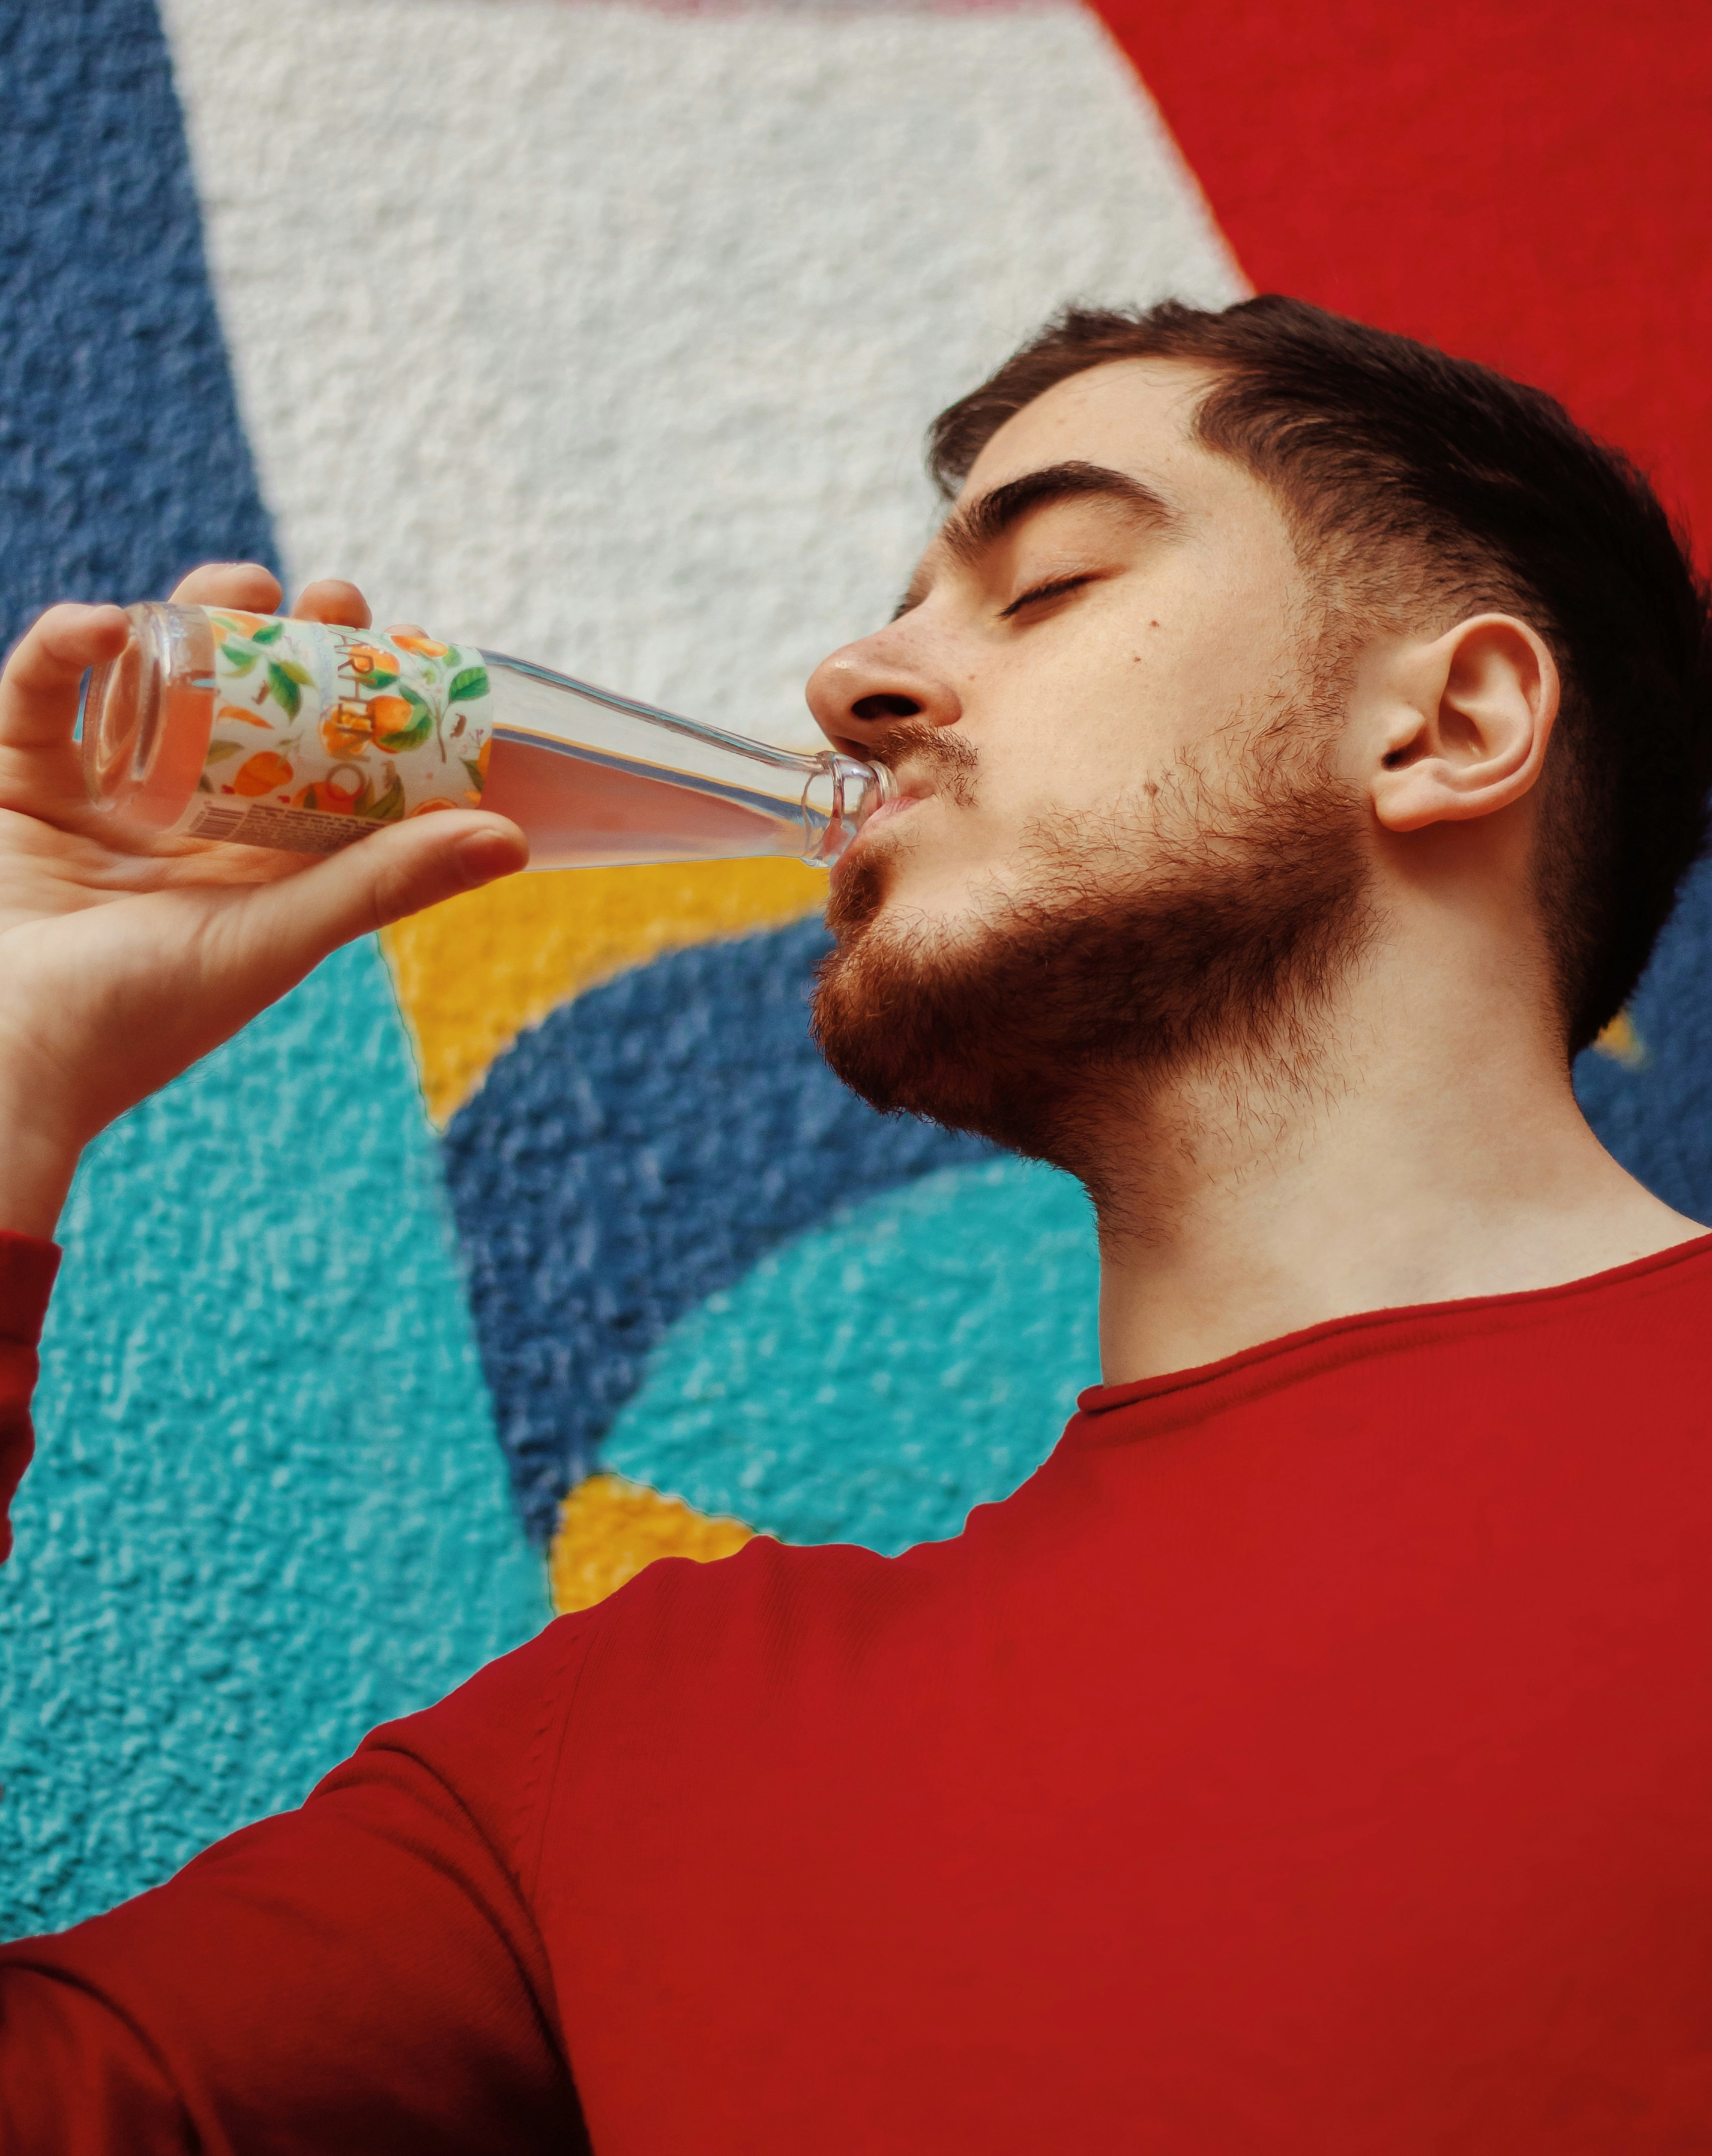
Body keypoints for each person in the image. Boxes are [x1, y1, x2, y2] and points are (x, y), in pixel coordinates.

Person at [0, 292, 1709, 2151]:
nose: (849, 682)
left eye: (1044, 581)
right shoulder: (634, 1758)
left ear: (1451, 725)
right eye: (899, 610)